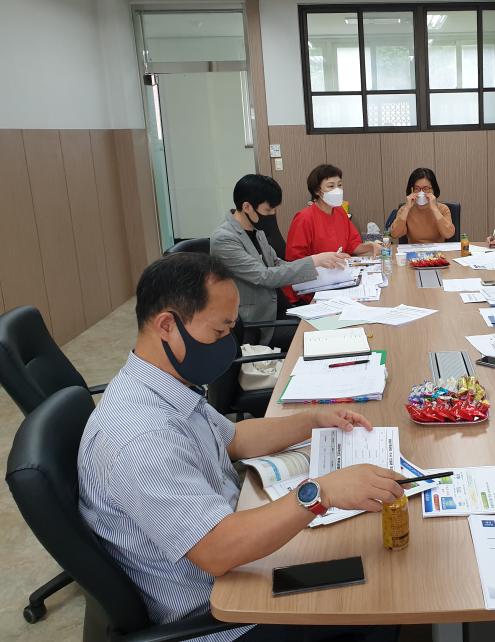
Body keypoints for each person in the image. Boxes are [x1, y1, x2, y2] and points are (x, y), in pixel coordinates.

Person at [78, 253, 403, 642]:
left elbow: (234, 438)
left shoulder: (160, 385)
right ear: (167, 325)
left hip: (236, 557)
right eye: (219, 332)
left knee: (362, 559)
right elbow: (217, 550)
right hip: (222, 611)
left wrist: (313, 419)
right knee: (378, 598)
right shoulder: (142, 438)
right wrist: (323, 492)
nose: (226, 345)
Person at [211, 174, 348, 346]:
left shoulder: (256, 229)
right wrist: (313, 260)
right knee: (326, 336)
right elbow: (264, 276)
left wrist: (319, 265)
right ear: (247, 207)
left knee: (335, 320)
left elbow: (276, 263)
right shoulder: (224, 239)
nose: (272, 215)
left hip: (281, 309)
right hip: (259, 324)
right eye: (268, 210)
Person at [284, 164, 380, 304]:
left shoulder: (339, 212)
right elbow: (295, 262)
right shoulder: (304, 218)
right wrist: (322, 262)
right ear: (317, 191)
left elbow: (352, 244)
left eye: (339, 185)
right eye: (331, 186)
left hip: (337, 280)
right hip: (313, 288)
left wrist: (370, 246)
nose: (337, 190)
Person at [388, 168, 455, 243]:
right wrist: (407, 208)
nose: (421, 193)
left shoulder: (443, 209)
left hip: (437, 249)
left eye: (425, 188)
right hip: (414, 249)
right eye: (417, 188)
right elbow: (394, 234)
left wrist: (434, 209)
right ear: (412, 190)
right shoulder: (405, 209)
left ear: (433, 189)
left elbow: (448, 234)